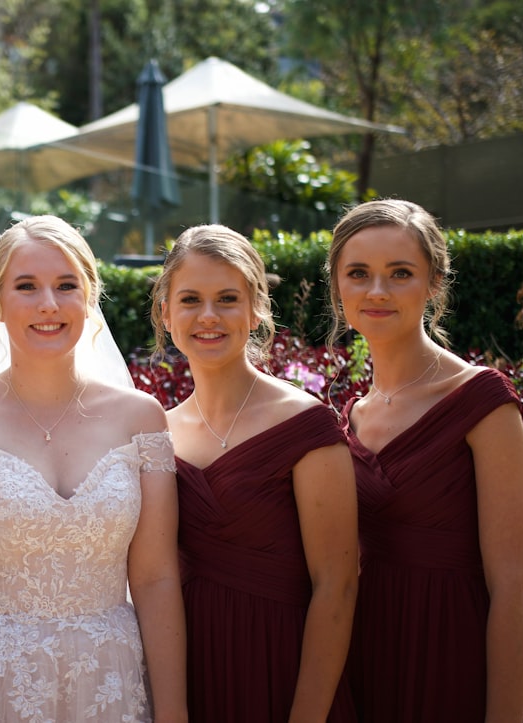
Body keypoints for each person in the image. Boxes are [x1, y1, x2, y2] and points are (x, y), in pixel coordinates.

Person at [0, 215, 187, 723]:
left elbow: (156, 579)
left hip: (111, 682)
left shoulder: (141, 419)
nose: (49, 305)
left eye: (66, 286)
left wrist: (173, 713)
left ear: (90, 297)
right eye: (26, 287)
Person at [326, 198, 523, 722]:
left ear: (434, 282)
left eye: (400, 273)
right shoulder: (353, 414)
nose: (377, 291)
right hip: (368, 650)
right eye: (359, 274)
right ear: (338, 287)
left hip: (453, 649)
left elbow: (516, 585)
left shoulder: (482, 401)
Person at [151, 224, 359, 722]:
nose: (208, 317)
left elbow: (338, 584)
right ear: (166, 313)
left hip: (281, 665)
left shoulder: (305, 423)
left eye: (227, 298)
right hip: (189, 670)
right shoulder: (158, 430)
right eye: (190, 300)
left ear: (255, 309)